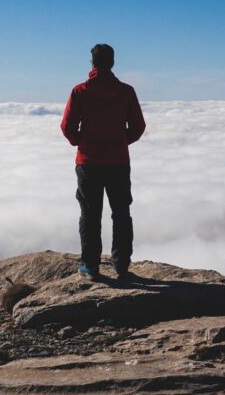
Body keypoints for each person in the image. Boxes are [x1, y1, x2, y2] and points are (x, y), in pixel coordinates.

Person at [60, 44, 146, 281]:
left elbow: (67, 127)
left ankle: (90, 265)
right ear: (113, 63)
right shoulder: (126, 91)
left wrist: (82, 142)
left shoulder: (80, 92)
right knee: (121, 212)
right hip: (118, 162)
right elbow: (138, 127)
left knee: (89, 214)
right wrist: (120, 142)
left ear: (92, 63)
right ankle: (121, 265)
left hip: (88, 163)